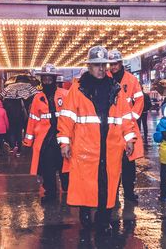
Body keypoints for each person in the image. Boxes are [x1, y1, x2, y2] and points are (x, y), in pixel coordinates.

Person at [57, 46, 136, 235]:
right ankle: (85, 214)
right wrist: (64, 142)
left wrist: (130, 138)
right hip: (86, 148)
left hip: (110, 147)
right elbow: (66, 118)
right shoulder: (78, 89)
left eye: (103, 65)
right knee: (86, 183)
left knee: (108, 184)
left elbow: (125, 117)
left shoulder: (115, 89)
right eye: (96, 65)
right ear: (89, 67)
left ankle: (104, 219)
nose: (101, 69)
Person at [23, 64, 68, 203]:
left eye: (50, 79)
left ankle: (68, 191)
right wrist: (28, 141)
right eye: (45, 79)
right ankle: (50, 193)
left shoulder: (65, 94)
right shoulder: (37, 98)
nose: (47, 81)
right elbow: (32, 120)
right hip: (45, 140)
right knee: (48, 167)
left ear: (55, 79)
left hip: (62, 137)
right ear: (42, 80)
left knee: (65, 167)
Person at [108, 49, 144, 203]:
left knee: (129, 162)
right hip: (112, 127)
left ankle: (129, 192)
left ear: (121, 63)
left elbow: (139, 101)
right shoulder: (106, 78)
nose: (113, 67)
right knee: (113, 162)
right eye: (111, 64)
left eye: (115, 63)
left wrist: (131, 119)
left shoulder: (131, 80)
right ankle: (113, 193)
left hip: (128, 127)